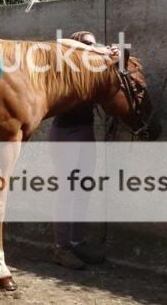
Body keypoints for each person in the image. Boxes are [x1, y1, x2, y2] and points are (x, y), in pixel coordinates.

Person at [50, 31, 106, 270]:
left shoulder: (93, 71)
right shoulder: (64, 68)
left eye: (92, 45)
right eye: (85, 45)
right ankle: (62, 247)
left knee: (83, 189)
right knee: (66, 191)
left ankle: (77, 241)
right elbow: (60, 42)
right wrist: (94, 50)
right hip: (65, 133)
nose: (90, 49)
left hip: (85, 131)